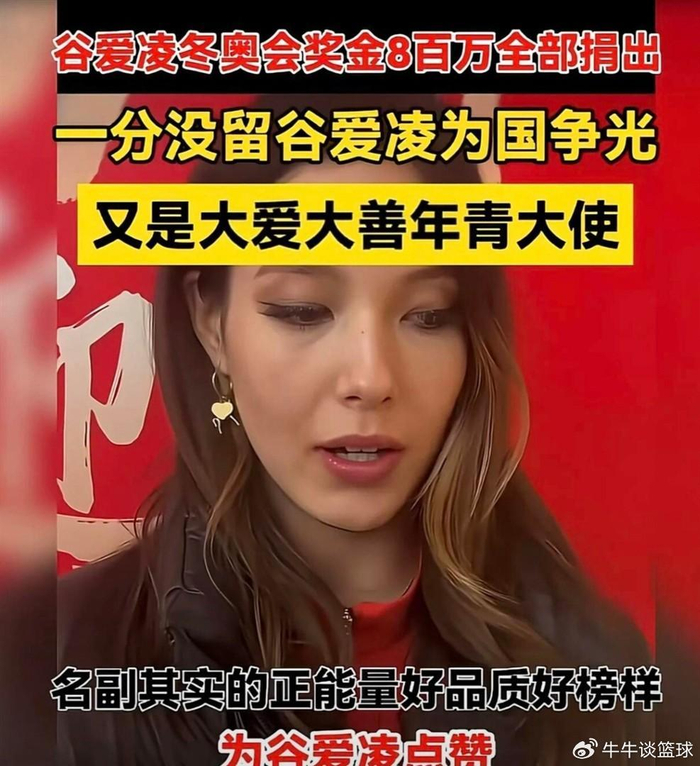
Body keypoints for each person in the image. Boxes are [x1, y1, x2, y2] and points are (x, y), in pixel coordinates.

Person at [57, 94, 652, 765]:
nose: (370, 378)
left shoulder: (594, 668)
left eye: (429, 315)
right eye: (302, 311)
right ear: (211, 324)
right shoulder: (59, 660)